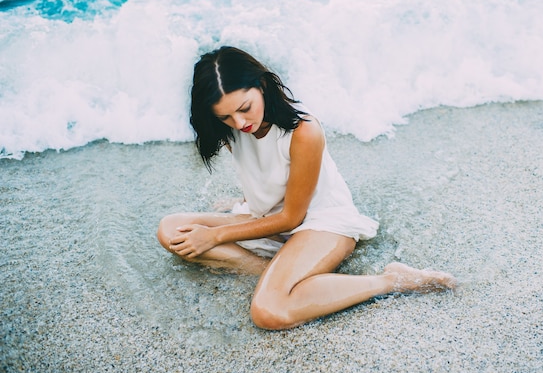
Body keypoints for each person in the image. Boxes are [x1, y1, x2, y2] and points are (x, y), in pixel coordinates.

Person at [157, 46, 456, 330]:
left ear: (261, 85)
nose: (239, 122)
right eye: (225, 116)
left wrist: (216, 234)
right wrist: (245, 201)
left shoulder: (303, 130)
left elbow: (292, 218)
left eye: (244, 108)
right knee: (171, 230)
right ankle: (283, 277)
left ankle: (390, 279)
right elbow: (260, 169)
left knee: (268, 312)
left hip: (321, 224)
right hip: (267, 221)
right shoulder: (233, 129)